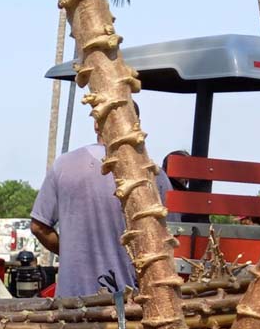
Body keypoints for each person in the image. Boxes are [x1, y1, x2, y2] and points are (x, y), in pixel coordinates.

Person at [31, 115, 172, 298]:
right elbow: (167, 240)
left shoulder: (64, 166)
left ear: (96, 124)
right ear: (135, 126)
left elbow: (38, 227)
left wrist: (71, 253)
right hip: (131, 303)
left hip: (72, 301)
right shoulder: (154, 175)